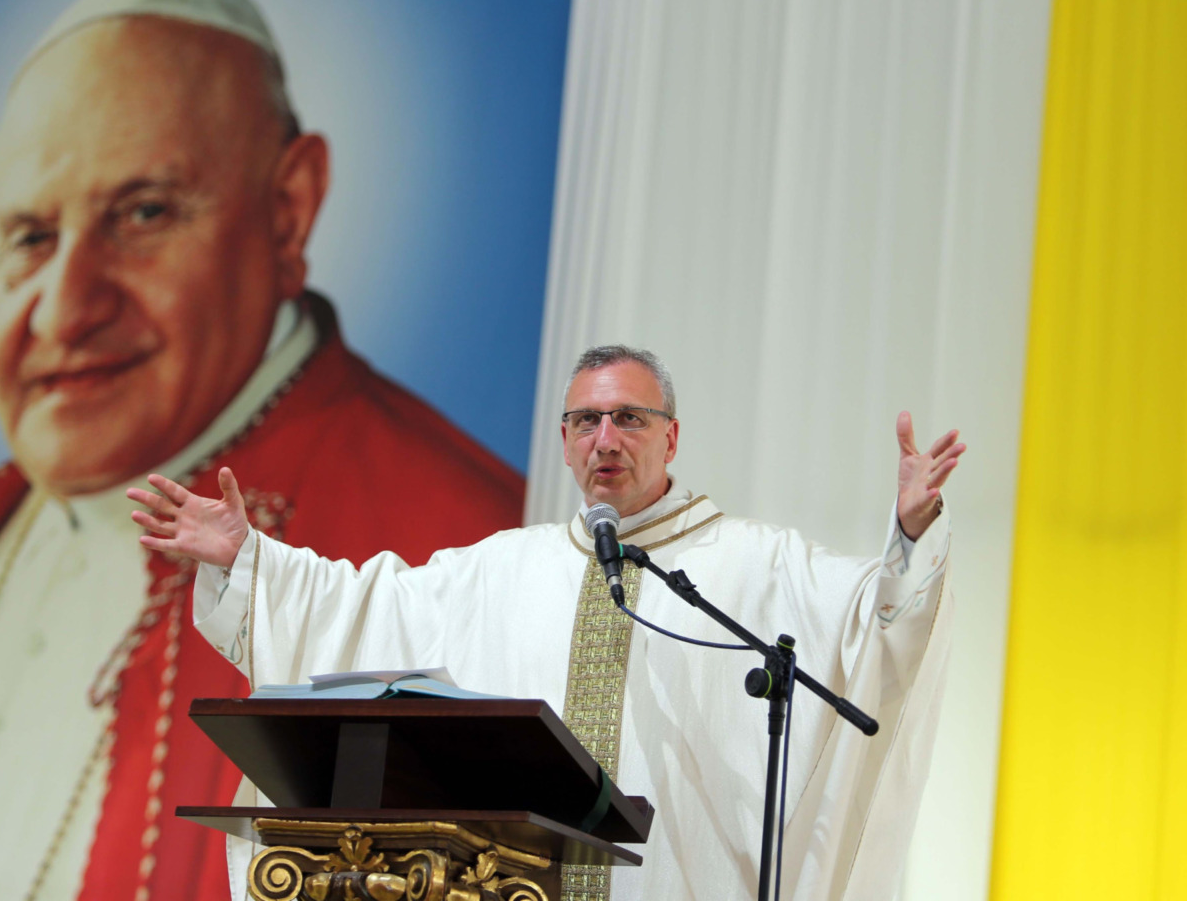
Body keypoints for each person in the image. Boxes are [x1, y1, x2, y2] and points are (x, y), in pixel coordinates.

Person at [0, 0, 524, 901]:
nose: (64, 312)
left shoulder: (458, 547)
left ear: (288, 210)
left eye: (143, 214)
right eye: (30, 237)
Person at [130, 344, 964, 901]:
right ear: (564, 443)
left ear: (672, 438)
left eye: (629, 418)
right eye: (585, 422)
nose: (606, 438)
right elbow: (364, 608)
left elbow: (873, 622)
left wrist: (912, 532)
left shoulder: (758, 564)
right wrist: (252, 559)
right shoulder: (501, 568)